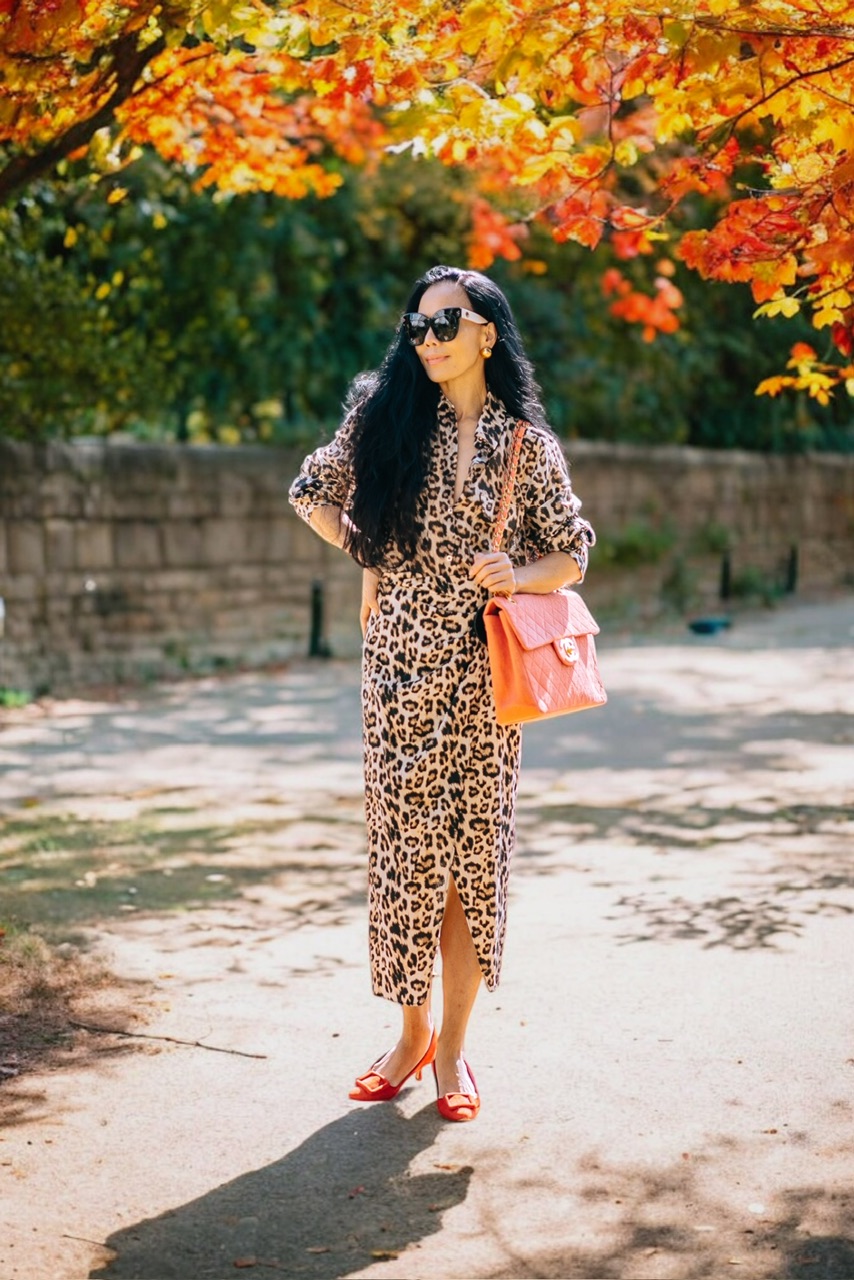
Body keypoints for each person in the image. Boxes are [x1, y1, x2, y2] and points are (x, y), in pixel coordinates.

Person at [289, 264, 594, 1122]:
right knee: (405, 858)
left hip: (485, 679)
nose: (428, 340)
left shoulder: (527, 446)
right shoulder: (385, 421)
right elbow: (310, 492)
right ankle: (410, 1035)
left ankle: (454, 1053)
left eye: (446, 324)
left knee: (469, 865)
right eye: (417, 327)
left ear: (486, 333)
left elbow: (572, 550)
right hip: (395, 674)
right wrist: (370, 556)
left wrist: (519, 571)